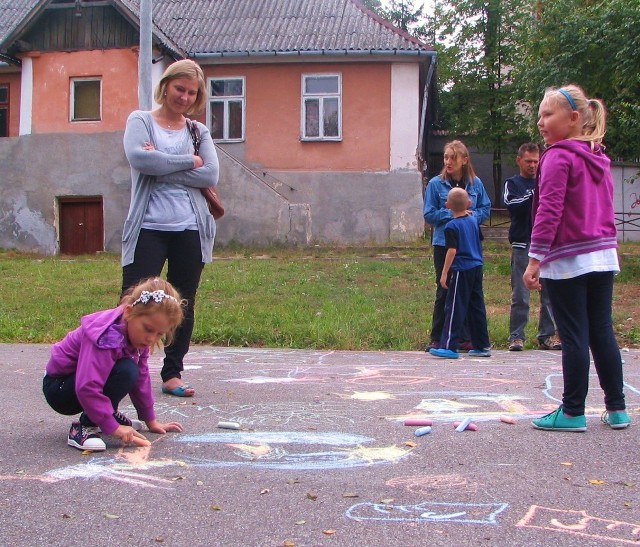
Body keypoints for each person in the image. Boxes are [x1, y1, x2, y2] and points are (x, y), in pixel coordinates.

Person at [525, 84, 630, 432]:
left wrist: (535, 259)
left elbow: (549, 210)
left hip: (569, 258)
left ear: (573, 119)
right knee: (601, 330)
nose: (541, 122)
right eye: (539, 115)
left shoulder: (557, 156)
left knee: (573, 333)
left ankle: (572, 411)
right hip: (603, 254)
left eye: (547, 114)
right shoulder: (599, 156)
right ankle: (617, 409)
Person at [121, 59, 219, 397]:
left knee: (183, 304)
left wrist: (161, 165)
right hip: (148, 227)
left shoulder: (197, 131)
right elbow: (139, 159)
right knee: (134, 302)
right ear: (165, 87)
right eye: (180, 89)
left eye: (192, 93)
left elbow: (210, 175)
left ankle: (172, 374)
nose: (185, 97)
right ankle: (125, 369)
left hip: (190, 228)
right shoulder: (141, 121)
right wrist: (188, 162)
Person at [43, 277, 186, 452]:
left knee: (131, 370)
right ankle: (85, 426)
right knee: (126, 370)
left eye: (159, 334)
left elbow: (141, 378)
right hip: (59, 389)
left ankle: (103, 415)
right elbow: (87, 386)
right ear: (128, 312)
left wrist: (150, 419)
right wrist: (113, 427)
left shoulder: (136, 335)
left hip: (78, 383)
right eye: (148, 329)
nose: (151, 338)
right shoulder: (107, 337)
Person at [423, 140, 492, 351]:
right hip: (445, 242)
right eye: (446, 157)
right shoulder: (436, 184)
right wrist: (454, 214)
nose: (448, 162)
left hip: (469, 244)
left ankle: (467, 338)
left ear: (464, 160)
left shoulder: (475, 183)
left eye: (453, 158)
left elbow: (485, 208)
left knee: (470, 291)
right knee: (445, 289)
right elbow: (429, 214)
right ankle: (438, 337)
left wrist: (470, 217)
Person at [503, 143, 561, 352]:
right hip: (522, 243)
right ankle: (516, 336)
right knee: (520, 293)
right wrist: (535, 193)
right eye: (529, 161)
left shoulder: (548, 182)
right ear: (519, 160)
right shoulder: (513, 183)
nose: (533, 165)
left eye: (536, 161)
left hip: (546, 244)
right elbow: (513, 205)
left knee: (548, 292)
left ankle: (547, 335)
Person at [429, 188, 491, 359]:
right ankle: (482, 345)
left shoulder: (451, 226)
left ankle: (449, 345)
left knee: (455, 306)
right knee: (476, 306)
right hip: (476, 266)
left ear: (447, 205)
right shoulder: (473, 221)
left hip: (461, 268)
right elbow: (478, 240)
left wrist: (444, 273)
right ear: (469, 204)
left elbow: (452, 250)